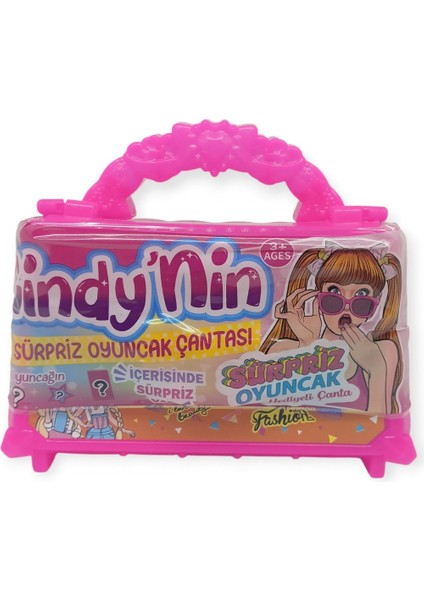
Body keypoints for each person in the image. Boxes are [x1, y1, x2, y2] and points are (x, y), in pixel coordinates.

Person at [260, 242, 402, 414]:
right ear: (318, 296)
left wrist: (376, 368)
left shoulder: (383, 350)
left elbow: (380, 423)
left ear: (376, 301)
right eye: (334, 292)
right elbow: (272, 417)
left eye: (361, 295)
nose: (346, 308)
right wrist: (306, 348)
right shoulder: (282, 349)